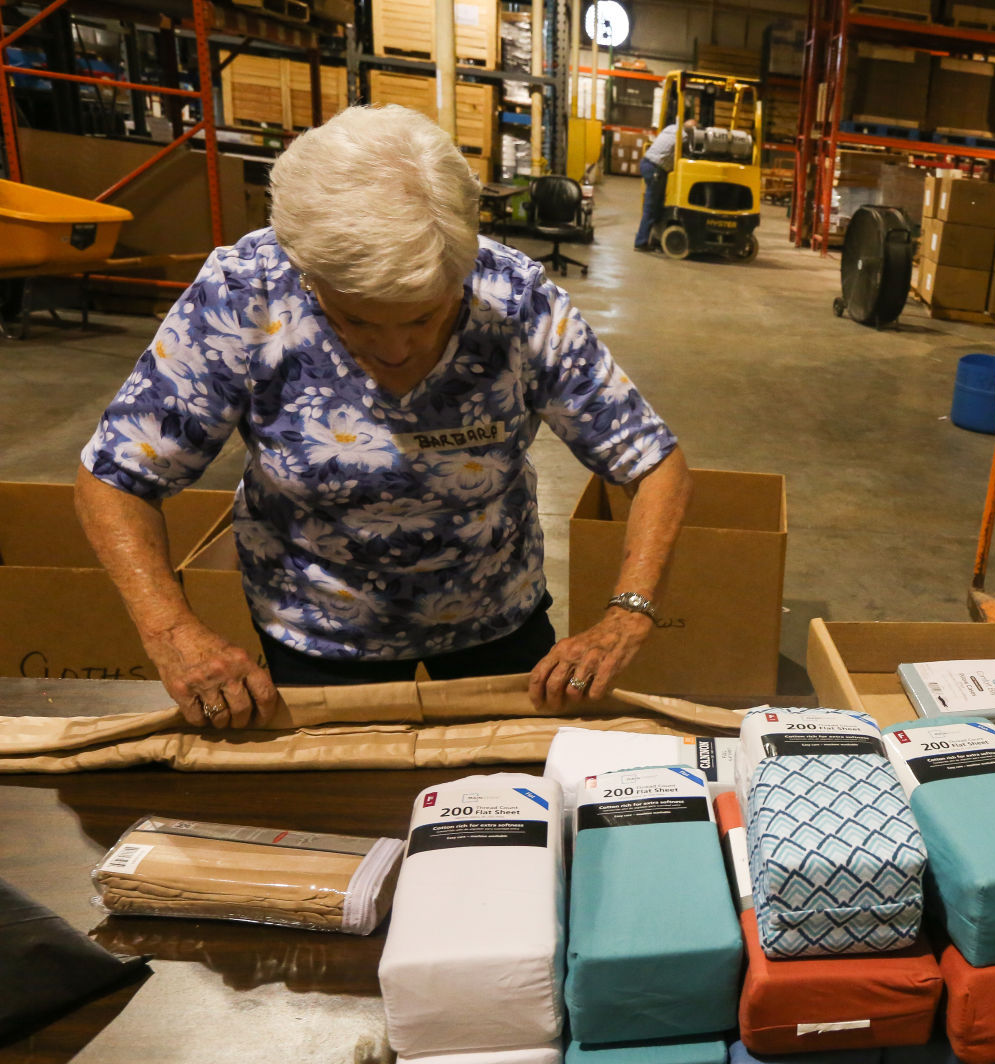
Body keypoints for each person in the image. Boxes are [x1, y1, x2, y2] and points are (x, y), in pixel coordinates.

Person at [75, 104, 692, 730]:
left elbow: (653, 462)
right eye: (357, 321)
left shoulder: (517, 304)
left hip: (496, 619)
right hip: (315, 634)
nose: (396, 351)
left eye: (425, 318)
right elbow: (115, 477)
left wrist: (629, 613)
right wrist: (172, 631)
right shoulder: (245, 297)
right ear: (307, 278)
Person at [634, 117, 694, 251]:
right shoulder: (683, 138)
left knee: (659, 204)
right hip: (656, 168)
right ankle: (641, 242)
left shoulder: (670, 128)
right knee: (652, 206)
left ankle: (655, 238)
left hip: (646, 163)